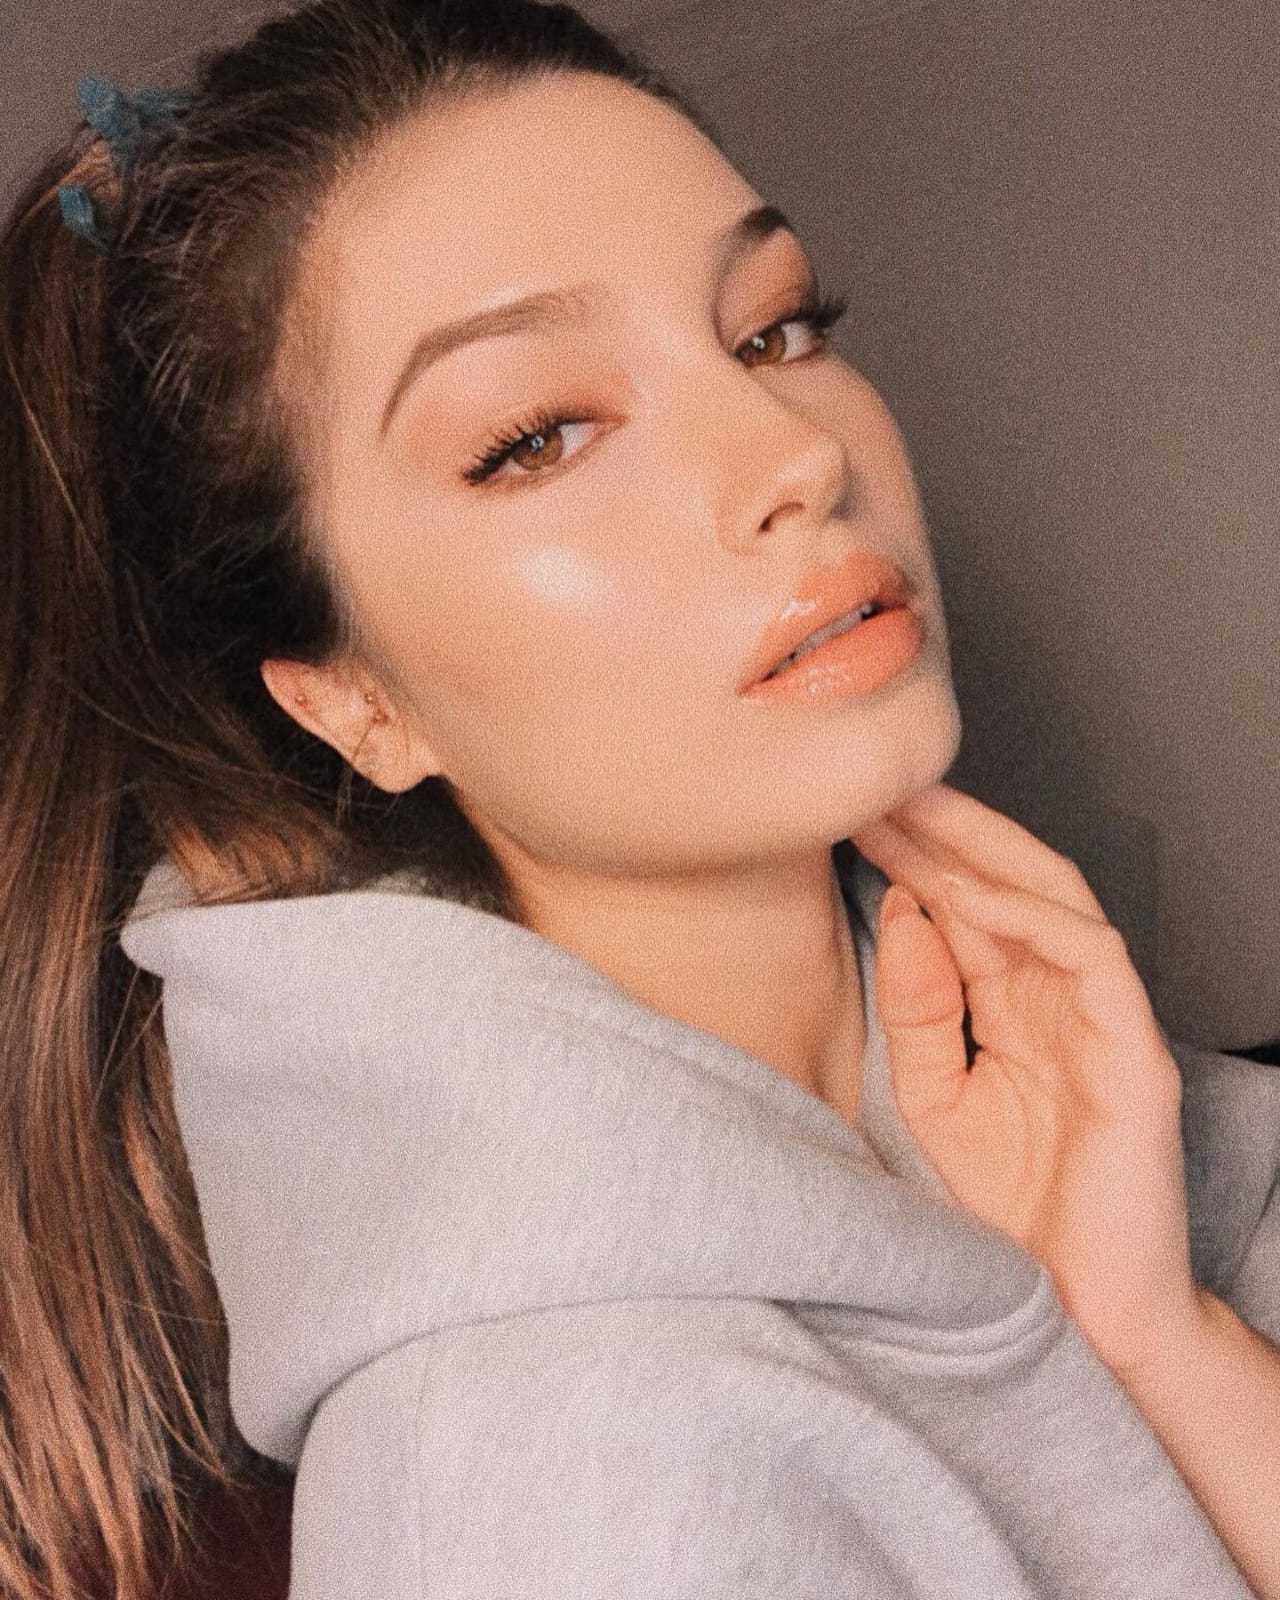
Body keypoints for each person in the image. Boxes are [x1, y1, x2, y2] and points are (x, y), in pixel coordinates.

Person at [1, 2, 1277, 1597]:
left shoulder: (1111, 1131)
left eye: (776, 328)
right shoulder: (562, 1478)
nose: (793, 453)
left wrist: (1153, 1332)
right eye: (538, 437)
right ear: (352, 701)